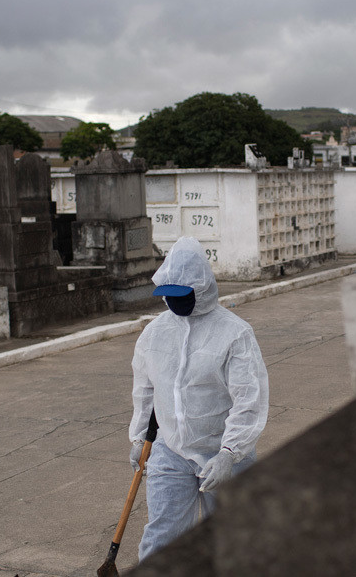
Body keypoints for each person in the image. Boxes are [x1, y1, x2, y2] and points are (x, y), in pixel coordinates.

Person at [130, 237, 268, 560]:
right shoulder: (154, 334)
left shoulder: (235, 334)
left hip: (220, 449)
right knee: (162, 536)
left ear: (201, 288)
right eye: (169, 295)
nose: (175, 302)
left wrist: (230, 453)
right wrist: (138, 437)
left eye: (182, 295)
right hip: (171, 449)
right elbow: (145, 389)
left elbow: (249, 399)